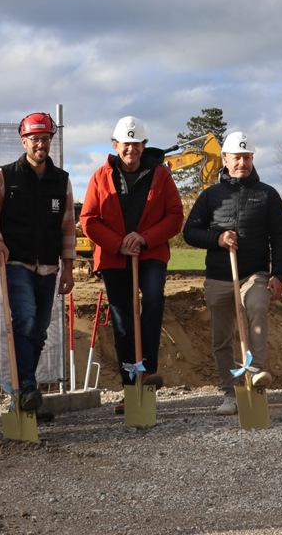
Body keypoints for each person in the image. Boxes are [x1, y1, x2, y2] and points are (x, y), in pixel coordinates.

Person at [80, 116, 184, 414]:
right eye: (126, 144)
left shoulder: (161, 176)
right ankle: (130, 386)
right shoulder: (100, 176)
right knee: (123, 320)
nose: (131, 150)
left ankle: (148, 370)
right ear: (116, 145)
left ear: (143, 146)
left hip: (149, 254)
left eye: (136, 144)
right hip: (114, 257)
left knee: (152, 299)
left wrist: (144, 237)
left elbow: (174, 216)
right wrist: (117, 242)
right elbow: (88, 219)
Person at [183, 131, 282, 415]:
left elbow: (280, 237)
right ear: (226, 160)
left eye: (247, 157)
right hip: (219, 275)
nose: (242, 162)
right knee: (223, 337)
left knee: (256, 305)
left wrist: (278, 274)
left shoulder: (267, 194)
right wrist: (217, 239)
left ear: (252, 159)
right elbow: (190, 232)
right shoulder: (210, 196)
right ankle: (230, 392)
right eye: (237, 157)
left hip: (254, 273)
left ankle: (254, 375)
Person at [0, 112, 76, 415]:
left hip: (49, 267)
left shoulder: (62, 181)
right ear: (24, 141)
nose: (40, 144)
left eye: (45, 139)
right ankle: (28, 387)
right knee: (25, 320)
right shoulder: (5, 176)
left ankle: (22, 395)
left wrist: (69, 268)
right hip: (17, 263)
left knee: (39, 332)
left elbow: (68, 227)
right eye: (35, 139)